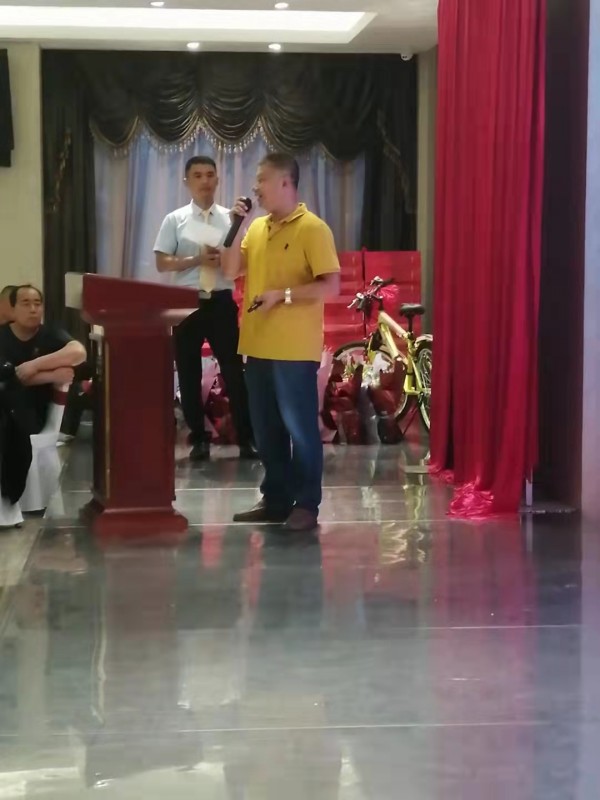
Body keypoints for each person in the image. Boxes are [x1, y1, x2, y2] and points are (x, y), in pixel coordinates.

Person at [222, 153, 341, 532]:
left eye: (262, 180)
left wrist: (283, 296)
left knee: (300, 430)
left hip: (293, 349)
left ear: (286, 183)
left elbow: (331, 286)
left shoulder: (313, 229)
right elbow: (229, 270)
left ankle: (306, 503)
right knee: (266, 431)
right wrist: (236, 227)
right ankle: (275, 499)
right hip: (256, 345)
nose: (256, 187)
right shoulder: (257, 228)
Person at [154, 155, 256, 462]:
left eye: (210, 175)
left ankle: (246, 439)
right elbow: (162, 263)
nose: (205, 181)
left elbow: (242, 264)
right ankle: (199, 439)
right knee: (188, 372)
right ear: (187, 181)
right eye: (197, 175)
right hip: (185, 301)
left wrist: (229, 261)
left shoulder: (231, 218)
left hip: (221, 300)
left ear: (218, 180)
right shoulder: (175, 219)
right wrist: (196, 260)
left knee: (234, 372)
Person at [0, 285, 86, 435]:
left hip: (39, 411)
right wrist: (52, 375)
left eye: (37, 304)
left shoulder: (50, 333)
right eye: (26, 304)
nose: (33, 309)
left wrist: (34, 365)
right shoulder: (3, 336)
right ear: (13, 309)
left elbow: (79, 352)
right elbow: (9, 379)